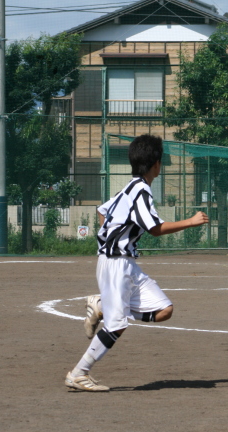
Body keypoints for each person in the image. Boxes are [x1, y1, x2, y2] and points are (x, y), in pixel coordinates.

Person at [65, 134, 209, 392]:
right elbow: (154, 228)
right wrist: (190, 221)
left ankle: (102, 304)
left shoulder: (129, 188)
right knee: (116, 325)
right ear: (156, 164)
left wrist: (114, 238)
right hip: (115, 264)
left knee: (164, 310)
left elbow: (101, 211)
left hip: (125, 263)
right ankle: (78, 373)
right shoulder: (140, 191)